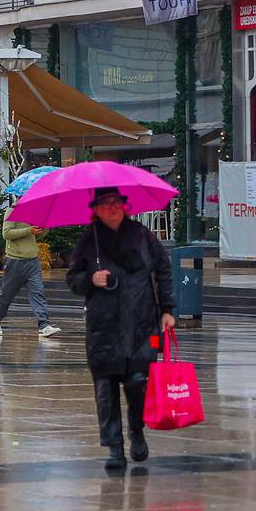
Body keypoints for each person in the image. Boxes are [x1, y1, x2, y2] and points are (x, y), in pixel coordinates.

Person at [67, 187, 176, 470]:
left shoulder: (142, 236)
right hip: (103, 327)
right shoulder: (88, 242)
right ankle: (114, 447)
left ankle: (137, 431)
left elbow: (163, 269)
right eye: (105, 204)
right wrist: (92, 279)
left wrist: (167, 309)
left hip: (141, 322)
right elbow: (73, 279)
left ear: (125, 206)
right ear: (96, 209)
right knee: (105, 388)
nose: (112, 207)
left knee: (139, 381)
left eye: (117, 202)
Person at [0, 214, 60, 338]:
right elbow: (6, 234)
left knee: (37, 292)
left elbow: (37, 235)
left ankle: (44, 325)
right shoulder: (12, 211)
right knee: (7, 293)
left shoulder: (33, 211)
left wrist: (46, 227)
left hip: (32, 260)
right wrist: (28, 230)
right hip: (15, 260)